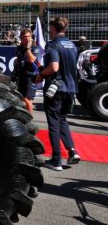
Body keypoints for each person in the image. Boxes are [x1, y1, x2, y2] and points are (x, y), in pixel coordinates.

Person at [35, 17, 81, 170]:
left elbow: (54, 67)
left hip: (56, 88)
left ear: (53, 28)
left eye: (50, 27)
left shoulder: (52, 44)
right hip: (71, 88)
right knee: (62, 119)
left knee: (54, 124)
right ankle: (72, 150)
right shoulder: (72, 45)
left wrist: (41, 74)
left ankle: (56, 161)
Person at [12, 29, 40, 113]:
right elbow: (18, 60)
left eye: (28, 36)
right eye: (24, 36)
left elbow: (32, 60)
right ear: (21, 38)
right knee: (21, 99)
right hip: (21, 75)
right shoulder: (19, 48)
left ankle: (30, 121)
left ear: (31, 37)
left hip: (31, 77)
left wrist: (28, 48)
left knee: (28, 100)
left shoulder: (35, 48)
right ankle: (25, 119)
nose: (27, 38)